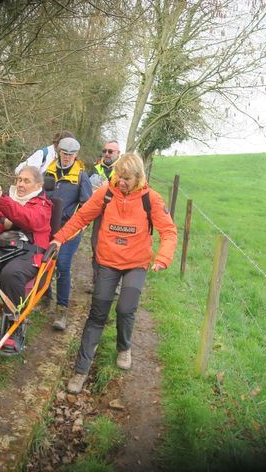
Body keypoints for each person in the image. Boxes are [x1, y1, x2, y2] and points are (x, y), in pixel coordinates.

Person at [50, 152, 178, 395]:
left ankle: (124, 347)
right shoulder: (106, 193)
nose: (121, 182)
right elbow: (82, 217)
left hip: (136, 263)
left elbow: (169, 232)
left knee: (125, 308)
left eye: (127, 178)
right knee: (97, 315)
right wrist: (59, 239)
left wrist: (162, 258)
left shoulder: (150, 199)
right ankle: (80, 370)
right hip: (107, 261)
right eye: (119, 176)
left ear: (139, 177)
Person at [0, 166, 52, 352]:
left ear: (38, 185)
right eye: (19, 180)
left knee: (11, 274)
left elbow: (30, 220)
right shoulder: (7, 200)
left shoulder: (43, 205)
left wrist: (5, 206)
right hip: (1, 248)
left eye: (26, 181)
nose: (20, 184)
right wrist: (3, 222)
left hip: (29, 253)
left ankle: (13, 327)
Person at [43, 136, 92, 331]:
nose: (67, 158)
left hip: (69, 227)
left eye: (71, 155)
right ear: (59, 153)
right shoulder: (48, 172)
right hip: (47, 225)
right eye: (64, 154)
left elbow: (87, 205)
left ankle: (62, 310)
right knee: (42, 261)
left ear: (76, 155)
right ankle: (44, 295)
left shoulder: (81, 176)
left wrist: (80, 224)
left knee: (63, 265)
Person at [88, 140, 122, 290]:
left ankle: (113, 285)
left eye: (110, 151)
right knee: (95, 244)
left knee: (114, 248)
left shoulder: (123, 170)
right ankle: (97, 283)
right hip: (98, 212)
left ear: (118, 154)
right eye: (105, 151)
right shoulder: (95, 168)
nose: (107, 154)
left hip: (118, 215)